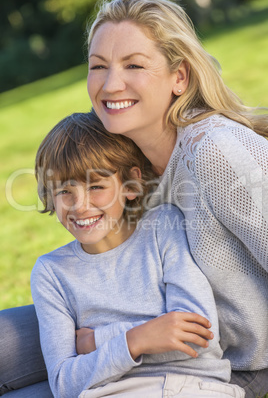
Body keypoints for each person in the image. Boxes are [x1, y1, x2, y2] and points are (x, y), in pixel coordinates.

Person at [84, 0, 268, 397]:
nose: (110, 84)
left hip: (236, 365)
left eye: (133, 65)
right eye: (98, 65)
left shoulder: (214, 152)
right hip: (141, 335)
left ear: (179, 77)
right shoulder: (131, 165)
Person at [30, 110, 244, 398]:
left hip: (189, 387)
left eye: (96, 186)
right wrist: (136, 340)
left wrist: (97, 342)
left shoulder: (162, 229)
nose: (79, 206)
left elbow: (198, 339)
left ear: (130, 185)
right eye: (65, 191)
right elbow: (64, 383)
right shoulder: (51, 272)